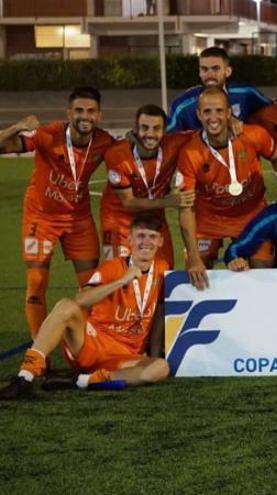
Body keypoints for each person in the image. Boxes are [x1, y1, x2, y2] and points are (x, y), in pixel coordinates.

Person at [0, 213, 171, 400]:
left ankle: (81, 380)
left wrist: (154, 353)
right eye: (140, 236)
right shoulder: (112, 267)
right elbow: (81, 299)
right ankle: (25, 376)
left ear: (161, 241)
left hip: (125, 357)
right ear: (129, 239)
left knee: (161, 367)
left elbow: (160, 312)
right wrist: (121, 281)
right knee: (66, 306)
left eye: (152, 236)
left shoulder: (163, 269)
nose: (146, 242)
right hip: (91, 344)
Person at [0, 87, 117, 338]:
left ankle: (82, 342)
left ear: (100, 115)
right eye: (78, 110)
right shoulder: (47, 135)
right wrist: (16, 126)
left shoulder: (105, 142)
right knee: (36, 281)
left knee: (89, 284)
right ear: (68, 112)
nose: (84, 116)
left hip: (78, 220)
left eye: (91, 111)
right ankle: (37, 346)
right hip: (40, 218)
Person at [176, 87, 277, 289]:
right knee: (195, 271)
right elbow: (185, 207)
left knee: (263, 272)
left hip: (251, 215)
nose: (213, 117)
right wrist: (193, 257)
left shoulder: (253, 135)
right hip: (209, 219)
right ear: (198, 114)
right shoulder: (190, 153)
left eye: (219, 111)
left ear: (229, 113)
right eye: (207, 111)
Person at [100, 105, 195, 267]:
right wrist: (168, 202)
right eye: (144, 128)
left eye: (156, 128)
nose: (150, 134)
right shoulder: (117, 154)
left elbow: (208, 131)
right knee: (116, 271)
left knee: (164, 269)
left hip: (154, 218)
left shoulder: (174, 143)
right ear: (135, 128)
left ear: (165, 131)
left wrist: (234, 123)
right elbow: (128, 202)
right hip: (119, 219)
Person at [167, 46, 271, 132]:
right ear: (199, 72)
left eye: (215, 68)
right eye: (204, 69)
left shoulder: (246, 93)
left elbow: (273, 110)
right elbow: (166, 138)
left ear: (228, 71)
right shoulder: (182, 105)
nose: (210, 74)